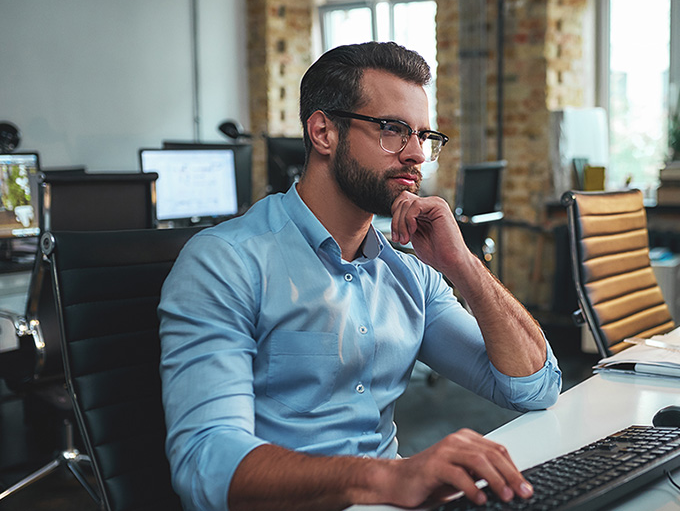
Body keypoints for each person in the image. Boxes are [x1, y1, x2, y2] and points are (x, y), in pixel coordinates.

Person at [158, 41, 562, 511]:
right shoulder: (225, 263)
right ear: (324, 132)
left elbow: (532, 387)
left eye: (423, 136)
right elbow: (205, 464)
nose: (415, 154)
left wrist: (463, 265)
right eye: (393, 130)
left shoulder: (410, 273)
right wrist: (385, 478)